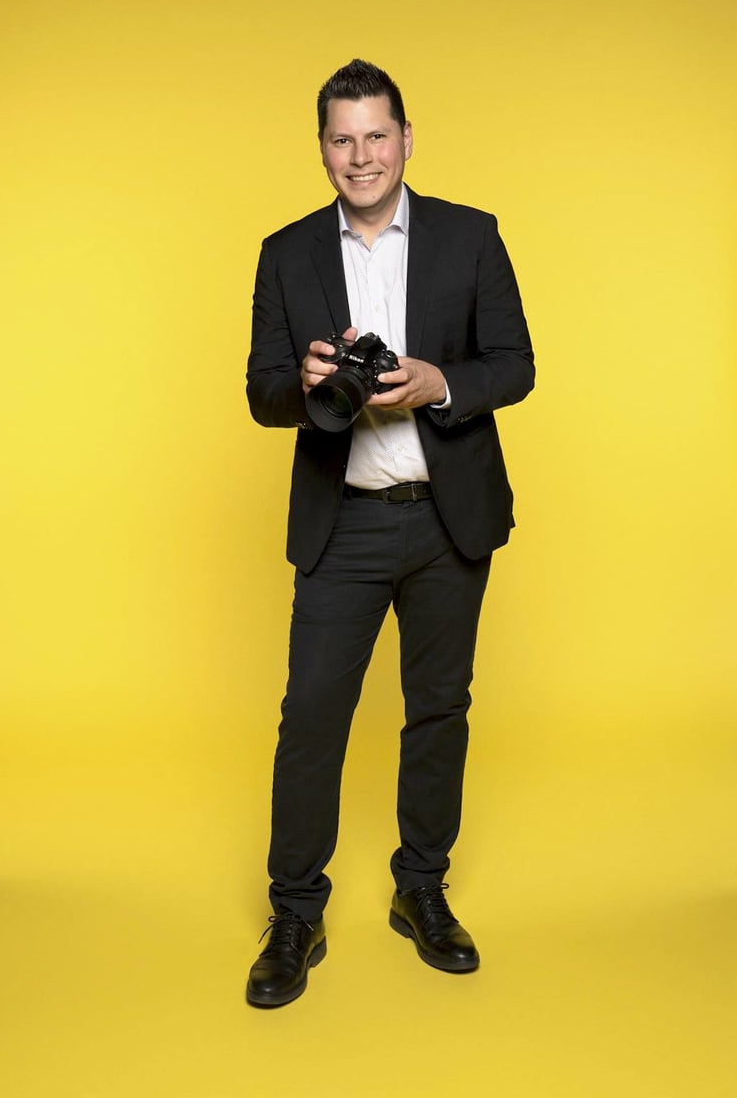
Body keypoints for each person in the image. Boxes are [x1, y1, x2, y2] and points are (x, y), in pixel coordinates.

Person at [245, 59, 534, 1007]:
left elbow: (516, 364)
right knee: (312, 718)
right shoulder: (286, 252)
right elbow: (262, 393)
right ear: (321, 149)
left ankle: (422, 890)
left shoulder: (471, 235)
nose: (360, 155)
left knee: (438, 712)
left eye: (376, 135)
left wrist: (437, 383)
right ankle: (295, 911)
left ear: (407, 139)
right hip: (347, 526)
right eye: (341, 138)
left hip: (449, 522)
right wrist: (315, 382)